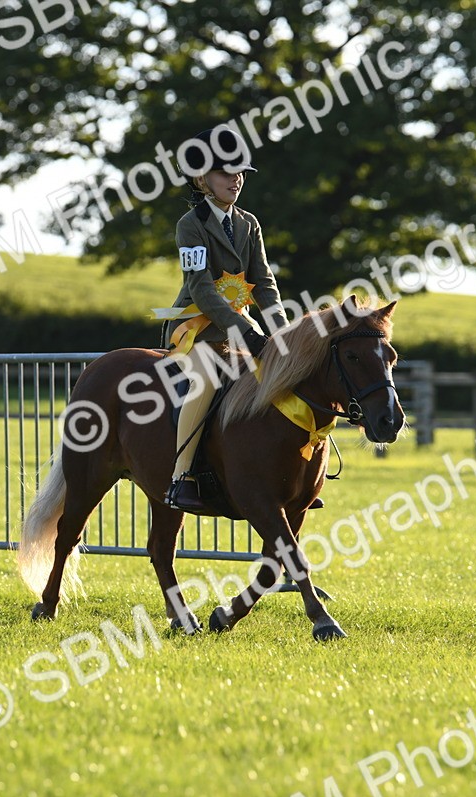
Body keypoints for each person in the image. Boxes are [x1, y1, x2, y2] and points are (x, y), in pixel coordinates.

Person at [161, 126, 288, 512]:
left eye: (240, 173)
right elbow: (201, 288)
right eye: (225, 172)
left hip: (243, 331)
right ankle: (181, 476)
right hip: (198, 331)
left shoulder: (250, 223)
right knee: (205, 380)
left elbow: (264, 284)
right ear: (202, 179)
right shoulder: (190, 225)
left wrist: (283, 333)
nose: (235, 179)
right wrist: (244, 329)